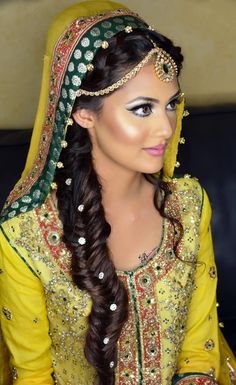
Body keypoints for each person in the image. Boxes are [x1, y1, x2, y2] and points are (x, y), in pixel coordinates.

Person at [0, 1, 235, 384]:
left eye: (172, 104)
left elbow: (198, 350)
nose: (165, 128)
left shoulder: (188, 207)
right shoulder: (26, 237)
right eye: (143, 109)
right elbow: (33, 376)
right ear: (84, 114)